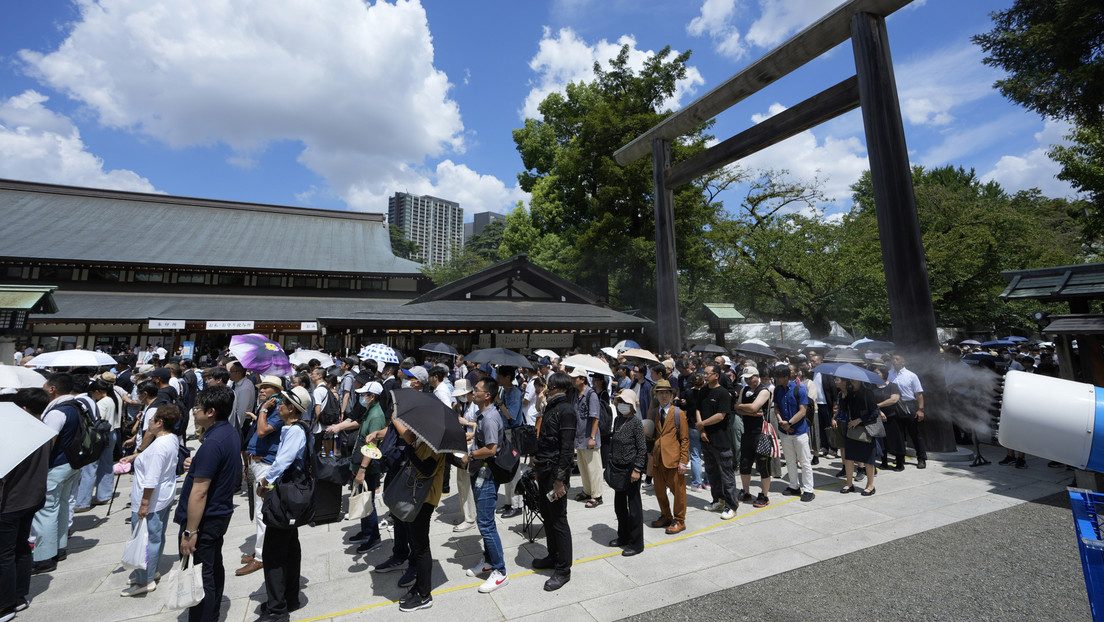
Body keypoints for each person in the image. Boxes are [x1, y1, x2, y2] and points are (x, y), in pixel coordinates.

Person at [176, 385, 242, 622]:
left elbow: (199, 493)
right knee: (213, 566)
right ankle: (212, 614)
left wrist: (190, 531)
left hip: (206, 518)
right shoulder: (228, 433)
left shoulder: (214, 442)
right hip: (219, 513)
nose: (194, 412)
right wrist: (195, 464)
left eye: (198, 408)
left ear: (211, 412)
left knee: (201, 574)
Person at [257, 386, 312, 621]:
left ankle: (277, 609)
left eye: (282, 404)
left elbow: (283, 460)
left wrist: (265, 482)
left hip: (285, 496)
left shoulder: (296, 431)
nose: (278, 407)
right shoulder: (294, 428)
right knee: (289, 546)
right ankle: (289, 598)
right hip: (289, 495)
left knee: (274, 553)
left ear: (292, 409)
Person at [120, 404, 180, 596]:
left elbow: (151, 478)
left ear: (159, 423)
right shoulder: (170, 438)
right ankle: (151, 569)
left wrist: (144, 504)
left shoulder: (159, 446)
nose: (149, 424)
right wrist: (136, 457)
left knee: (145, 539)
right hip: (163, 496)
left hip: (152, 500)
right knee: (156, 535)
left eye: (152, 420)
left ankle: (144, 580)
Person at [1, 389, 51, 618]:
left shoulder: (13, 432)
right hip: (32, 498)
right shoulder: (42, 431)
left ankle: (5, 604)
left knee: (4, 554)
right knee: (21, 547)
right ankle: (20, 596)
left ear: (22, 409)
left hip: (10, 503)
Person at [30, 373, 84, 575]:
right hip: (71, 463)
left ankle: (44, 557)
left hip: (56, 464)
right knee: (61, 506)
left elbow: (48, 442)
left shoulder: (56, 412)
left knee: (46, 510)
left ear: (52, 388)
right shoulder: (76, 405)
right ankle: (59, 547)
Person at [391, 417, 446, 612]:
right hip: (419, 497)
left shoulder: (435, 443)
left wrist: (410, 453)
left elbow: (428, 468)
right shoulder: (425, 439)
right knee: (416, 543)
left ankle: (424, 595)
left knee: (421, 547)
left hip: (425, 499)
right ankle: (419, 586)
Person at [460, 377, 510, 593]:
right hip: (481, 472)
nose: (474, 392)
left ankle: (500, 571)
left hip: (487, 474)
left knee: (486, 524)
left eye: (477, 390)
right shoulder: (483, 415)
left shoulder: (489, 418)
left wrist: (469, 455)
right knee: (485, 521)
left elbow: (491, 449)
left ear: (487, 395)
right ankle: (489, 561)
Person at [531, 372, 576, 591]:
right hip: (544, 469)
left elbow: (567, 450)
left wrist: (560, 480)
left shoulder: (566, 410)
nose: (546, 388)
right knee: (547, 516)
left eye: (550, 385)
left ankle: (563, 569)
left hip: (556, 473)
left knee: (558, 519)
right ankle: (552, 555)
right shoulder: (551, 407)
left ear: (559, 387)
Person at [237, 375, 286, 577]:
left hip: (266, 464)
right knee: (257, 509)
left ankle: (261, 557)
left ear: (277, 392)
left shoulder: (276, 408)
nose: (262, 390)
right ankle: (260, 549)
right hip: (254, 461)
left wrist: (264, 410)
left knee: (261, 510)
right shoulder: (264, 407)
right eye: (261, 387)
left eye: (267, 387)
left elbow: (264, 430)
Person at [347, 381, 388, 554]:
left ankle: (373, 537)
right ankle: (366, 532)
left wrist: (362, 470)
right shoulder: (370, 410)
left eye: (364, 394)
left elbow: (373, 446)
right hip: (361, 464)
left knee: (368, 501)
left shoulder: (376, 415)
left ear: (373, 397)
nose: (361, 397)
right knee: (364, 499)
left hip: (368, 468)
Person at [607, 389, 646, 555]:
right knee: (619, 506)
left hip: (631, 469)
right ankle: (623, 535)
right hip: (618, 468)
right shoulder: (617, 419)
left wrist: (637, 469)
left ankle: (636, 543)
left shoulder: (636, 423)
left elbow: (642, 449)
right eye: (620, 402)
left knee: (634, 507)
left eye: (625, 402)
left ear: (631, 405)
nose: (622, 405)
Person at [648, 380, 689, 534]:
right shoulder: (655, 413)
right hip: (658, 459)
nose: (664, 395)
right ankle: (665, 515)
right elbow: (654, 434)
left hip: (673, 459)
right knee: (659, 491)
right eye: (660, 392)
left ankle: (679, 520)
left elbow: (684, 439)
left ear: (672, 395)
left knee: (678, 492)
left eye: (667, 392)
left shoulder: (678, 413)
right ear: (656, 395)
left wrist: (683, 461)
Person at [697, 366, 738, 520]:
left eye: (707, 373)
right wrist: (701, 430)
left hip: (721, 440)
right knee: (712, 472)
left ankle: (731, 505)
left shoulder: (723, 394)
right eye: (704, 373)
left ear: (716, 375)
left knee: (726, 475)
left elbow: (721, 415)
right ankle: (718, 500)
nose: (705, 376)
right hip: (706, 438)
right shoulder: (703, 391)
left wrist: (702, 424)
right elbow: (698, 409)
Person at [73, 377, 120, 512]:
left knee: (90, 468)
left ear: (98, 391)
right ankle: (104, 495)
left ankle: (82, 502)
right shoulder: (114, 399)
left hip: (100, 435)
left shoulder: (102, 403)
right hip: (112, 433)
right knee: (106, 465)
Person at [771, 365, 815, 503]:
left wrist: (788, 423)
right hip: (785, 432)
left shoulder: (799, 389)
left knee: (804, 461)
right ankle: (793, 485)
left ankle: (808, 489)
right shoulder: (778, 389)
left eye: (778, 377)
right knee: (790, 460)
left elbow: (803, 411)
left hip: (799, 431)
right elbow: (776, 407)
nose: (776, 379)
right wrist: (780, 420)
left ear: (786, 377)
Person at [735, 366, 772, 509]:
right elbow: (737, 407)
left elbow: (752, 408)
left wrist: (745, 408)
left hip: (761, 433)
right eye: (746, 378)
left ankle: (764, 495)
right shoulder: (744, 390)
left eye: (751, 377)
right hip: (747, 432)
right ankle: (746, 492)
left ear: (757, 376)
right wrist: (749, 411)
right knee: (744, 464)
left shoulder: (764, 391)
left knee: (763, 466)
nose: (749, 381)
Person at [835, 378, 881, 495]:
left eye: (854, 379)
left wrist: (859, 420)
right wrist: (844, 399)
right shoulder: (849, 393)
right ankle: (849, 484)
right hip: (851, 429)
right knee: (849, 457)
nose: (852, 381)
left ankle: (870, 485)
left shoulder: (867, 392)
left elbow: (875, 412)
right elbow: (844, 410)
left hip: (865, 429)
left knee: (868, 458)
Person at [570, 369, 603, 508]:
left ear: (582, 379)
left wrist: (593, 437)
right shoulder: (575, 395)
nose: (572, 380)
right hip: (579, 436)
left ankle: (597, 495)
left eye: (575, 378)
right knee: (583, 467)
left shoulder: (591, 395)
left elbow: (595, 418)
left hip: (589, 437)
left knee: (593, 468)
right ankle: (587, 491)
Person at [888, 353, 927, 469]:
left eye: (897, 359)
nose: (894, 361)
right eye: (893, 359)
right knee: (898, 434)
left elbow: (919, 394)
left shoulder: (911, 375)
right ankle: (900, 457)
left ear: (903, 362)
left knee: (914, 433)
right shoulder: (890, 374)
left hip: (909, 405)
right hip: (894, 405)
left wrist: (921, 410)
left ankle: (921, 458)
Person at [450, 380, 478, 532]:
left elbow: (481, 427)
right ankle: (466, 514)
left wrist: (467, 423)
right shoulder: (463, 406)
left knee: (466, 483)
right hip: (462, 446)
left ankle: (470, 518)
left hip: (471, 447)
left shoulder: (477, 406)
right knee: (461, 482)